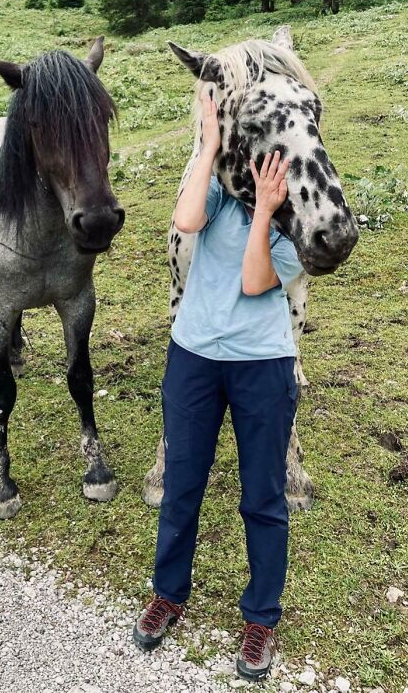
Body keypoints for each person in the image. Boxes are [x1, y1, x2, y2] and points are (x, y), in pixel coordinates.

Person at [133, 94, 303, 682]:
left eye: (272, 162)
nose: (260, 169)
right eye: (254, 159)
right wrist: (208, 142)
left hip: (263, 365)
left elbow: (256, 281)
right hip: (194, 358)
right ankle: (168, 594)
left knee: (263, 497)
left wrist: (266, 210)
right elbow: (184, 221)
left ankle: (260, 619)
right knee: (182, 484)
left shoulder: (295, 219)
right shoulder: (215, 191)